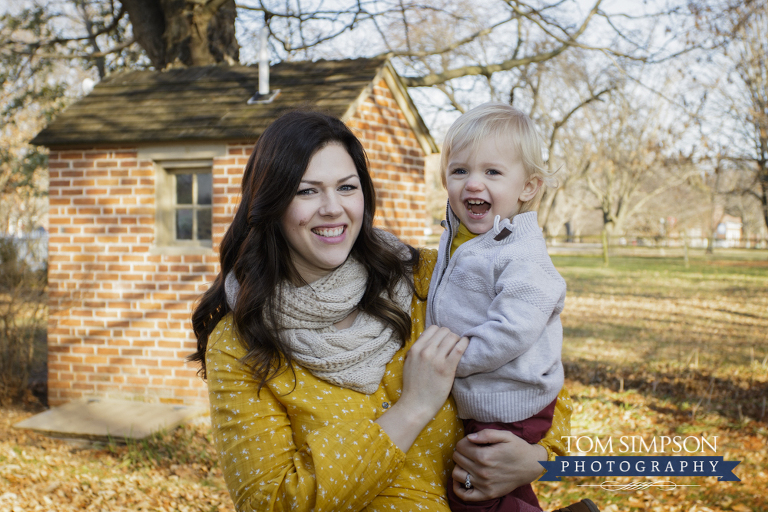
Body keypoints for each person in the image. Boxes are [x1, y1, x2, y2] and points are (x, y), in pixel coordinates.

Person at [189, 109, 589, 512]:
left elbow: (540, 387)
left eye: (346, 187)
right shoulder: (239, 343)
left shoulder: (428, 280)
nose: (332, 208)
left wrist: (539, 464)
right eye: (307, 191)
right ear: (271, 203)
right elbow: (270, 502)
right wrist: (412, 408)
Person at [426, 102, 576, 512]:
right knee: (502, 488)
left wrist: (448, 362)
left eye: (492, 172)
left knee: (472, 492)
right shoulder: (462, 240)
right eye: (460, 171)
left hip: (512, 399)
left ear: (527, 187)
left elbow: (512, 329)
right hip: (485, 396)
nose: (473, 183)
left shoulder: (522, 253)